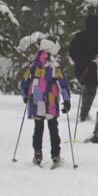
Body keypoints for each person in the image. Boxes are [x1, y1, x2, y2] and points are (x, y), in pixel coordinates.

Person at [19, 38, 71, 166]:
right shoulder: (54, 67)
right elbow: (62, 84)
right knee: (53, 128)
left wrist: (25, 95)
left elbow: (24, 82)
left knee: (38, 128)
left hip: (36, 101)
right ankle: (55, 155)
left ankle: (37, 154)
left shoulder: (33, 66)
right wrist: (67, 99)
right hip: (51, 101)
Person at [68, 14, 98, 121]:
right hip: (97, 68)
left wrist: (79, 61)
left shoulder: (79, 36)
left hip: (82, 68)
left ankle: (84, 112)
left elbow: (72, 51)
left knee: (89, 90)